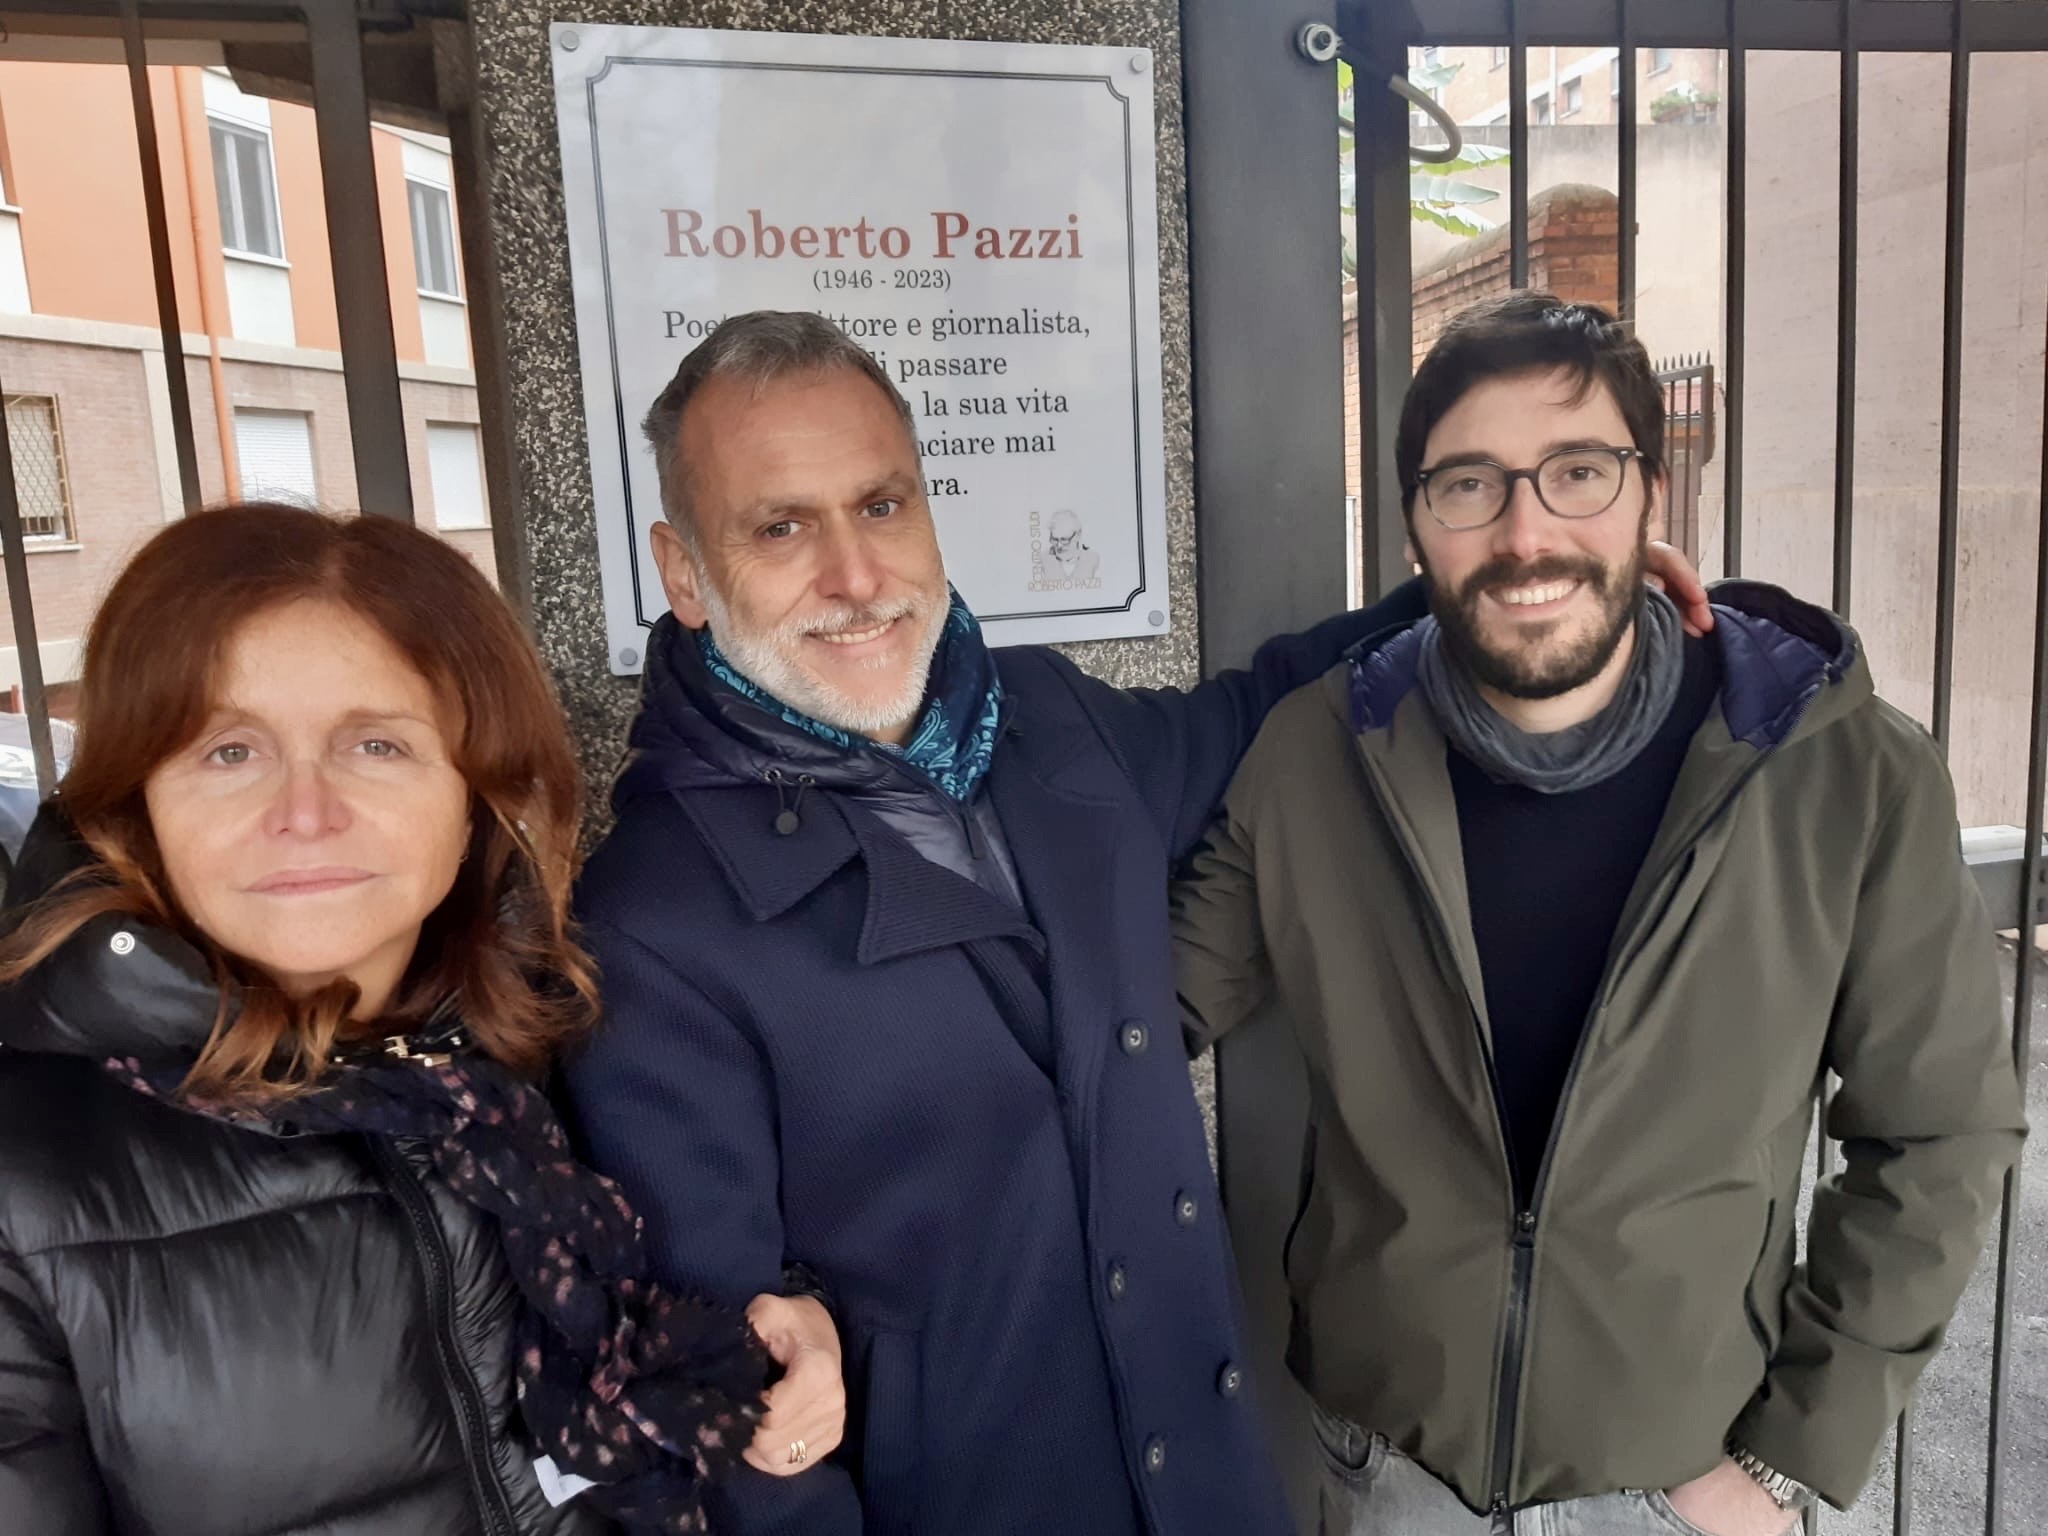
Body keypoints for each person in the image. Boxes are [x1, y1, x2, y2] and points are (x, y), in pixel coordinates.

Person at [562, 310, 1713, 1536]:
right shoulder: (650, 927)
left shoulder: (1044, 721)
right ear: (682, 571)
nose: (853, 576)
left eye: (881, 505)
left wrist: (1516, 579)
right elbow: (730, 1419)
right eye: (780, 527)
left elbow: (1263, 704)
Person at [1170, 292, 2026, 1536]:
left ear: (1648, 494)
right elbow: (1146, 1006)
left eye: (1577, 472)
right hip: (1392, 1471)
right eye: (1467, 485)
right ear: (1413, 523)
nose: (1525, 532)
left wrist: (1791, 1454)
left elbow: (1939, 1131)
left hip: (1684, 1482)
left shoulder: (1840, 773)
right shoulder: (1315, 756)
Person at [0, 504, 845, 1536]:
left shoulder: (543, 1057)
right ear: (138, 803)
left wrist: (782, 1336)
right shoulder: (23, 1175)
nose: (304, 812)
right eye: (228, 751)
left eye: (375, 744)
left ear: (477, 794)